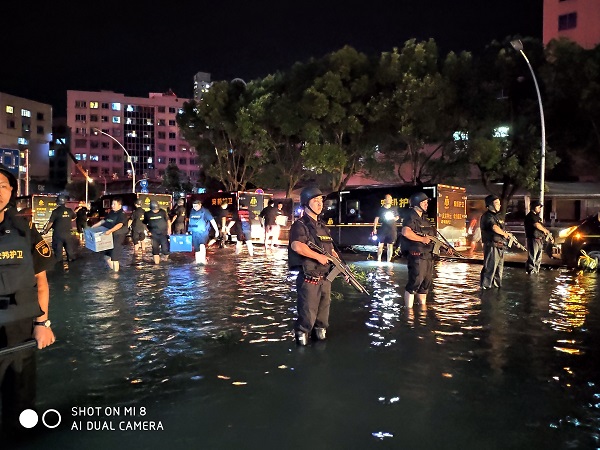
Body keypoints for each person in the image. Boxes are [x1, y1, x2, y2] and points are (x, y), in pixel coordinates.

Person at [0, 164, 55, 432]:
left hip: (19, 331)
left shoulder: (25, 229)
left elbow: (41, 282)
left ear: (12, 191)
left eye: (3, 186)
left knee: (21, 403)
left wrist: (42, 324)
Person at [288, 187, 340, 346]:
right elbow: (297, 246)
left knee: (322, 321)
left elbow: (330, 249)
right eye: (315, 200)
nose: (320, 204)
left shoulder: (323, 226)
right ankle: (301, 349)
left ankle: (320, 346)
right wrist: (318, 256)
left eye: (321, 200)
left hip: (325, 279)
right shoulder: (300, 225)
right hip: (309, 279)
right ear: (305, 203)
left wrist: (337, 262)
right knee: (306, 319)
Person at [401, 192, 435, 308]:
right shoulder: (410, 216)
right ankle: (409, 312)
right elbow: (406, 232)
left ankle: (422, 310)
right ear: (416, 203)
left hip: (428, 255)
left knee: (425, 284)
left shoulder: (425, 219)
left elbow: (431, 237)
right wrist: (422, 239)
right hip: (417, 255)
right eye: (423, 202)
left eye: (427, 202)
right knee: (414, 283)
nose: (426, 204)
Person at [480, 194, 510, 290]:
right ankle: (485, 289)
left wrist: (507, 235)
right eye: (496, 203)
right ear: (490, 205)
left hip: (500, 246)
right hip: (492, 245)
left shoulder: (497, 216)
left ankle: (496, 289)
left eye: (499, 203)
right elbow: (494, 227)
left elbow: (500, 228)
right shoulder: (487, 216)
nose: (499, 205)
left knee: (498, 271)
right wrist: (504, 234)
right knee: (490, 268)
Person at [91, 197, 128, 272]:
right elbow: (104, 221)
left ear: (120, 205)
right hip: (109, 237)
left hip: (117, 237)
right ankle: (114, 270)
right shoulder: (111, 212)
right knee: (106, 256)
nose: (112, 206)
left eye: (114, 204)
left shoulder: (122, 214)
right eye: (112, 204)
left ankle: (116, 274)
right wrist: (93, 227)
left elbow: (120, 224)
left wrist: (110, 231)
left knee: (114, 258)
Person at [42, 194, 77, 262]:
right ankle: (72, 266)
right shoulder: (69, 210)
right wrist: (67, 219)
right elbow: (74, 217)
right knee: (70, 255)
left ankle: (59, 267)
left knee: (58, 256)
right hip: (68, 235)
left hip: (58, 235)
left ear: (57, 202)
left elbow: (50, 223)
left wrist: (46, 231)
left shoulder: (55, 211)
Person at [524, 200, 552, 274]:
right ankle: (530, 272)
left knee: (538, 257)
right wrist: (545, 230)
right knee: (533, 256)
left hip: (539, 239)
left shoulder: (537, 217)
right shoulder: (530, 216)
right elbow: (537, 225)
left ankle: (536, 271)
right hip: (533, 239)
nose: (540, 209)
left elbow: (540, 225)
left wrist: (546, 234)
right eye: (538, 207)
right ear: (533, 207)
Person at [188, 199, 219, 264]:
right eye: (193, 206)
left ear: (200, 205)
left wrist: (216, 230)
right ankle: (197, 261)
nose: (195, 207)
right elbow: (190, 220)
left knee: (202, 246)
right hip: (194, 232)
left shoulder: (205, 211)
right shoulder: (192, 211)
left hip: (203, 232)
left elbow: (212, 220)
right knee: (196, 248)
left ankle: (203, 261)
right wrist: (189, 230)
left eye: (196, 206)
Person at [372, 194, 400, 263]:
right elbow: (376, 218)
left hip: (392, 229)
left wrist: (394, 218)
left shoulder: (394, 208)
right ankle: (379, 259)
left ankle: (389, 260)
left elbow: (397, 217)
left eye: (391, 199)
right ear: (385, 200)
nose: (389, 200)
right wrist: (374, 228)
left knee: (390, 245)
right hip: (383, 229)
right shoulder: (381, 209)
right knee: (380, 244)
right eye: (388, 198)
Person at [143, 201, 170, 265]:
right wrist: (147, 231)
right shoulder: (147, 214)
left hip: (163, 233)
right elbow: (144, 224)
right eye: (154, 210)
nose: (156, 211)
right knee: (155, 250)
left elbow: (168, 221)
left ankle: (165, 261)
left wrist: (169, 230)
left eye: (157, 209)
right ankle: (157, 265)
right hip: (153, 234)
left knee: (165, 249)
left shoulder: (163, 212)